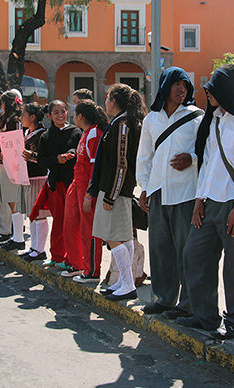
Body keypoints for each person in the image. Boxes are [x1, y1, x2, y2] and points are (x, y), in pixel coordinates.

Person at [179, 64, 234, 340]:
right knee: (194, 255)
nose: (208, 91)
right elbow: (206, 164)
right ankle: (205, 316)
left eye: (214, 86)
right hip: (209, 202)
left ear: (227, 88)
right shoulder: (214, 118)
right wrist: (199, 200)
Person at [136, 67, 204, 316]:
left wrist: (193, 159)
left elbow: (209, 152)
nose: (181, 89)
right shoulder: (152, 119)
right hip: (158, 191)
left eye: (185, 85)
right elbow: (144, 156)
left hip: (186, 193)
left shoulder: (197, 116)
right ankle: (164, 299)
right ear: (165, 86)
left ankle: (187, 305)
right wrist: (144, 187)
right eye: (176, 84)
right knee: (160, 248)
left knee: (186, 250)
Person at [88, 84, 146, 301]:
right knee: (123, 237)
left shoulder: (122, 125)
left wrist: (110, 195)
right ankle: (124, 280)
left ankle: (128, 284)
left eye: (108, 98)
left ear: (114, 100)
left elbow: (121, 164)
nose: (105, 102)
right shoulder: (119, 122)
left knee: (114, 238)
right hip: (115, 190)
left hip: (116, 191)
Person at [61, 100, 108, 281]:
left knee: (89, 230)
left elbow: (95, 166)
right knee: (71, 225)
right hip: (77, 184)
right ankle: (77, 264)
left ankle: (92, 271)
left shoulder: (95, 134)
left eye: (74, 114)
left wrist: (90, 193)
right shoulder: (86, 133)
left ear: (80, 116)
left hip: (87, 187)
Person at [35, 100, 82, 266]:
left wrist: (70, 153)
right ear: (49, 116)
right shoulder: (46, 136)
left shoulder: (76, 132)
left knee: (73, 222)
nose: (60, 115)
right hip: (56, 183)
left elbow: (80, 150)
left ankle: (73, 258)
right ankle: (57, 256)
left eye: (63, 111)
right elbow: (41, 160)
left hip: (73, 183)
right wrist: (56, 159)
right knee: (59, 220)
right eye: (56, 112)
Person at [0, 90, 25, 250]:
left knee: (12, 200)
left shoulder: (15, 120)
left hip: (11, 163)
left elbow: (13, 141)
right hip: (3, 162)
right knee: (5, 198)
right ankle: (11, 233)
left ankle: (16, 236)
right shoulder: (6, 118)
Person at [17, 102, 51, 262]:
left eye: (23, 115)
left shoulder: (42, 135)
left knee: (39, 215)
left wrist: (33, 157)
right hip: (27, 177)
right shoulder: (26, 133)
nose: (21, 118)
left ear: (32, 117)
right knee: (32, 214)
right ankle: (34, 247)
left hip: (39, 178)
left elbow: (45, 160)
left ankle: (40, 249)